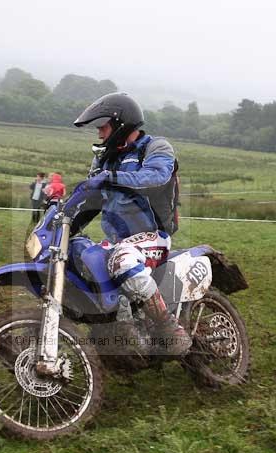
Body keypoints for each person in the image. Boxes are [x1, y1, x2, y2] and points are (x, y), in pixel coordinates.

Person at [71, 92, 189, 356]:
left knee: (121, 260)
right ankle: (120, 329)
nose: (100, 134)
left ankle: (168, 326)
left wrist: (111, 177)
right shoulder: (106, 159)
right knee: (79, 251)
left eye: (103, 127)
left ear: (120, 124)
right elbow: (91, 200)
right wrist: (63, 221)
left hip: (153, 236)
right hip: (119, 241)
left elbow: (156, 177)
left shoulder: (156, 147)